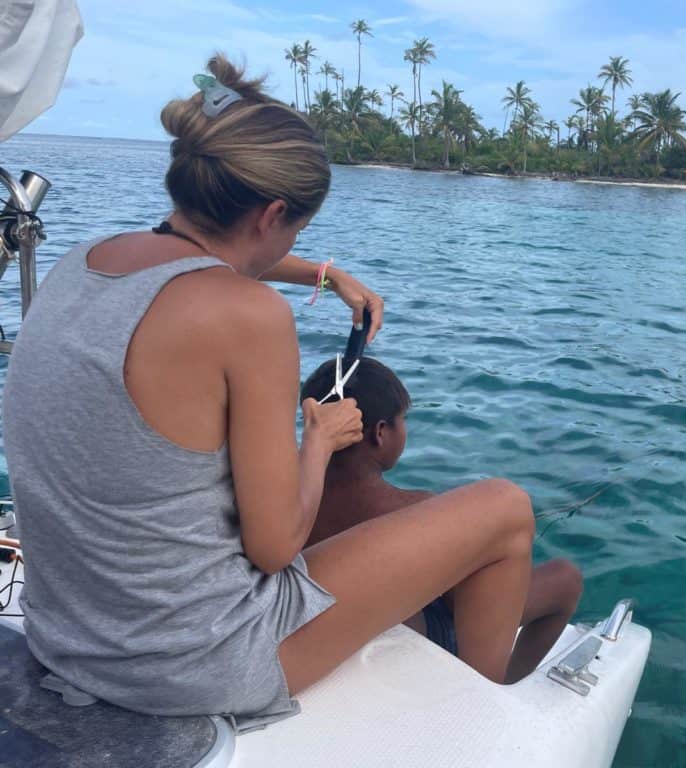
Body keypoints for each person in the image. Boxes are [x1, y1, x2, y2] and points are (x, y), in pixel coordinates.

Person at [2, 56, 536, 726]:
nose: (294, 244)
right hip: (196, 665)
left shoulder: (86, 259)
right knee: (505, 509)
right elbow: (275, 548)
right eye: (298, 231)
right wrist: (317, 443)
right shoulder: (248, 317)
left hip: (70, 641)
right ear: (274, 213)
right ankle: (478, 731)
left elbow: (194, 252)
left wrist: (322, 273)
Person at [301, 357, 583, 682]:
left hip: (326, 621)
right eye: (402, 419)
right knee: (566, 578)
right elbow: (462, 600)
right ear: (380, 433)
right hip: (415, 630)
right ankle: (502, 685)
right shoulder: (413, 510)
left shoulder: (293, 501)